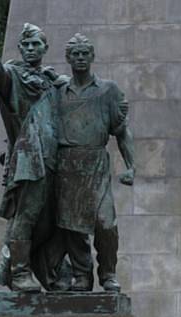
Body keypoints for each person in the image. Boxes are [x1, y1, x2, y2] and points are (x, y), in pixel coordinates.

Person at [0, 24, 89, 291]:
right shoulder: (14, 75)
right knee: (27, 217)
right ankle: (18, 273)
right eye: (25, 45)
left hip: (55, 159)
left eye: (35, 45)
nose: (29, 49)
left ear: (45, 49)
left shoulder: (54, 81)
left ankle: (47, 272)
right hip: (31, 157)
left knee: (51, 222)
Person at [53, 33, 135, 292]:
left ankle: (108, 272)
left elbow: (121, 131)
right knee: (72, 227)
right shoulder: (58, 92)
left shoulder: (107, 90)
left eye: (84, 53)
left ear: (92, 56)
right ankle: (82, 275)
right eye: (75, 54)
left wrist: (131, 165)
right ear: (68, 58)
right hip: (66, 164)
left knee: (106, 224)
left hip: (96, 162)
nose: (79, 58)